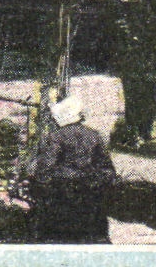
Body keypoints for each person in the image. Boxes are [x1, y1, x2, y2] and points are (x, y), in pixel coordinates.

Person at [23, 95, 117, 243]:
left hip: (62, 201)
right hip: (90, 202)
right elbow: (108, 170)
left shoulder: (56, 137)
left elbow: (44, 171)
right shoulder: (95, 136)